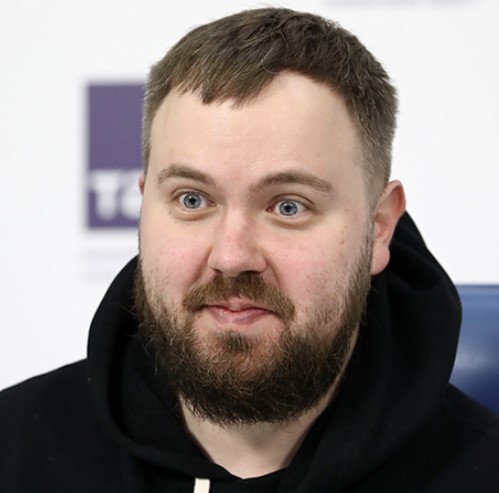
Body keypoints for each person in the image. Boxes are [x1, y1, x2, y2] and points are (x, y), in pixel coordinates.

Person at [1, 7, 498, 492]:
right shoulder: (14, 450)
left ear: (380, 227)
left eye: (288, 206)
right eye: (192, 199)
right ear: (145, 205)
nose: (232, 257)